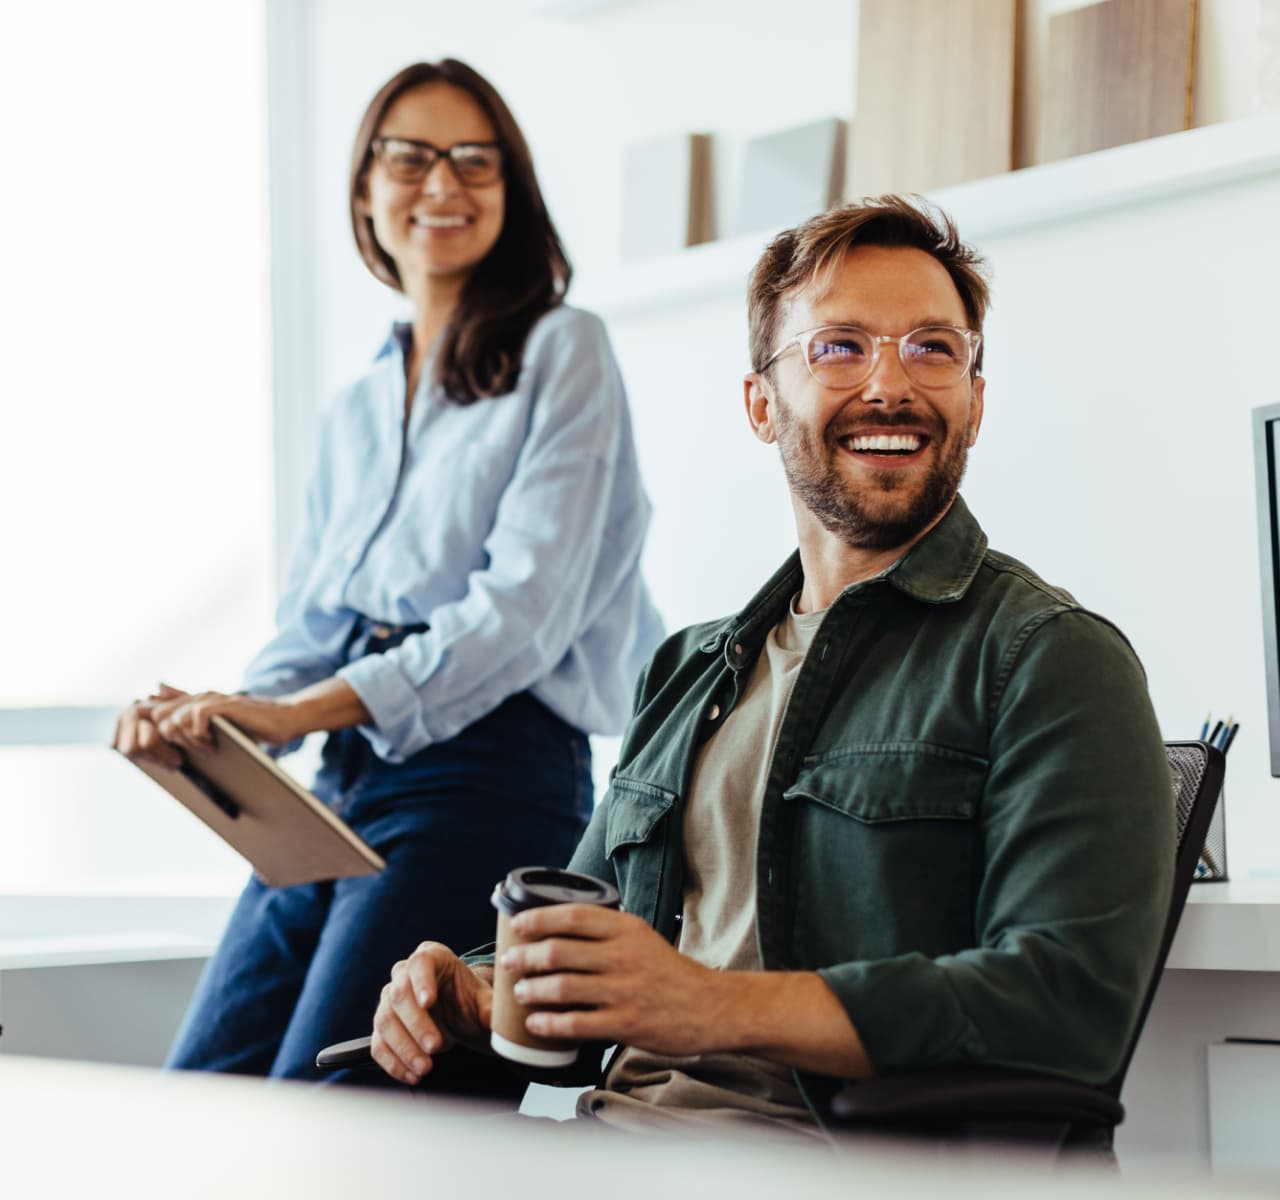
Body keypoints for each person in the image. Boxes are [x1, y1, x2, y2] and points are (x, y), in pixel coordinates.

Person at [366, 195, 1174, 1140]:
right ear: (761, 404)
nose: (891, 385)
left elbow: (1063, 1009)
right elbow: (590, 967)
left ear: (975, 401)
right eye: (838, 347)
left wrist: (709, 1004)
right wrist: (474, 992)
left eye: (932, 348)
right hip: (600, 1149)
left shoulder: (1051, 660)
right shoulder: (687, 668)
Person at [112, 59, 663, 1081]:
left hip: (487, 778)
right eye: (409, 157)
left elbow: (519, 619)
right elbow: (317, 616)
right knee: (200, 1088)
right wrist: (220, 718)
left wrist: (292, 714)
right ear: (365, 187)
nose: (442, 185)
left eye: (473, 159)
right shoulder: (358, 402)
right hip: (345, 778)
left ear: (513, 186)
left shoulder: (564, 350)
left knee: (328, 1109)